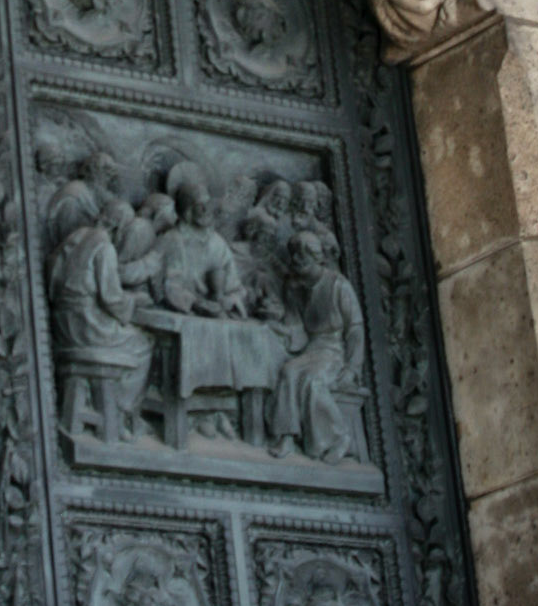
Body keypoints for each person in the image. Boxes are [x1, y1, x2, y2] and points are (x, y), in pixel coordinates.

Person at [48, 200, 154, 432]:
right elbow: (111, 298)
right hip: (87, 325)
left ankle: (99, 404)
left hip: (62, 323)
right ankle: (119, 411)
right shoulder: (104, 247)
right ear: (118, 227)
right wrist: (135, 300)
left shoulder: (75, 238)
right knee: (143, 344)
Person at [268, 230, 366, 463]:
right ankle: (288, 436)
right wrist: (275, 322)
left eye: (303, 257)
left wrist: (352, 369)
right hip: (311, 348)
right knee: (288, 371)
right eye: (294, 257)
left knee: (313, 381)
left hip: (334, 352)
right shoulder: (293, 287)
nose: (296, 262)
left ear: (317, 258)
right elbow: (294, 325)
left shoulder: (338, 285)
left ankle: (338, 438)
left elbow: (355, 330)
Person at [154, 171, 246, 317]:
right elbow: (169, 285)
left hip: (216, 310)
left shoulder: (217, 243)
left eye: (207, 203)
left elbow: (236, 288)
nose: (206, 209)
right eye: (199, 205)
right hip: (187, 311)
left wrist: (229, 300)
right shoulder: (173, 239)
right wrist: (195, 303)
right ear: (187, 210)